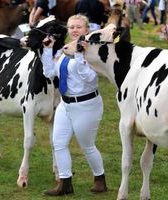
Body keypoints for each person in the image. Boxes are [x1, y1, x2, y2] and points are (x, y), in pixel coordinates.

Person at [41, 14, 107, 196]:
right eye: (71, 27)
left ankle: (100, 179)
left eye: (78, 27)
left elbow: (90, 79)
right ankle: (65, 183)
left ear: (87, 30)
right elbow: (49, 73)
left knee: (87, 145)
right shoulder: (63, 51)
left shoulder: (92, 52)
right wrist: (48, 50)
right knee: (59, 143)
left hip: (86, 105)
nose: (74, 30)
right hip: (65, 103)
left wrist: (79, 54)